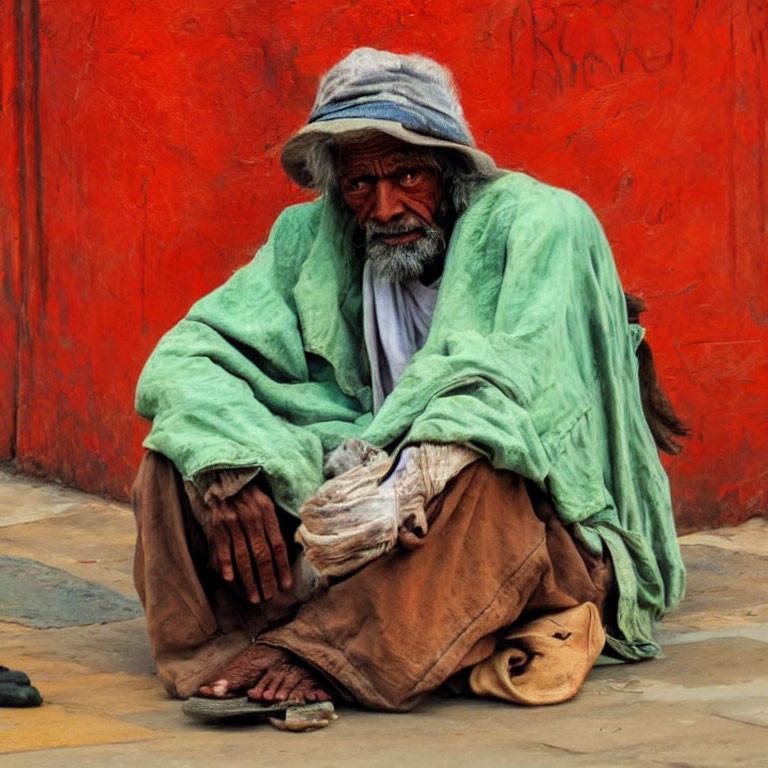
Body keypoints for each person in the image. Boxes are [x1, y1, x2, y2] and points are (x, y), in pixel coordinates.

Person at [132, 48, 686, 712]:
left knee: (485, 469)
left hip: (534, 520)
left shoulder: (543, 222)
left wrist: (408, 483)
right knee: (179, 454)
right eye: (360, 184)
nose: (385, 207)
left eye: (407, 175)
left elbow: (513, 385)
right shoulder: (313, 235)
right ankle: (223, 647)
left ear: (450, 170)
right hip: (363, 497)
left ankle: (324, 650)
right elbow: (191, 353)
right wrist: (228, 460)